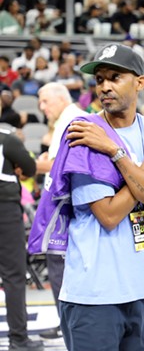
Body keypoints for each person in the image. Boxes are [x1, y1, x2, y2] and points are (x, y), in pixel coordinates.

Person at [58, 44, 144, 349]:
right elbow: (109, 215)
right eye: (99, 80)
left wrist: (116, 154)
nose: (105, 87)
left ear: (140, 82)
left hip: (140, 290)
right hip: (94, 294)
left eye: (115, 77)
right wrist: (132, 157)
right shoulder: (85, 133)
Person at [35, 83, 86, 340]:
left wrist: (28, 163)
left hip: (65, 206)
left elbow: (56, 166)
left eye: (45, 101)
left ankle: (68, 324)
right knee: (59, 266)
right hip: (64, 203)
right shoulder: (69, 117)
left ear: (60, 97)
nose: (41, 107)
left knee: (59, 265)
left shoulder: (71, 118)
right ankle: (67, 322)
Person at [0, 128, 42, 351]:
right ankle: (18, 339)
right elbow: (30, 167)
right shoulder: (7, 139)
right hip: (4, 210)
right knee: (13, 276)